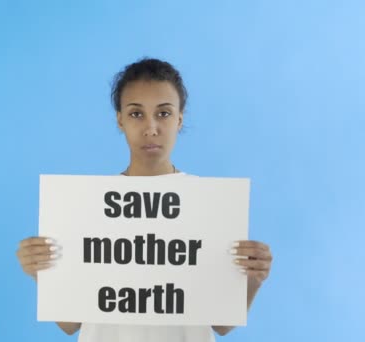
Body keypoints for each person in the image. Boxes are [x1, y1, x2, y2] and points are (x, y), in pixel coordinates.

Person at [16, 58, 273, 341]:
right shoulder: (86, 207)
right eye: (137, 114)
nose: (151, 128)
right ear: (120, 119)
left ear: (180, 119)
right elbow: (70, 323)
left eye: (163, 113)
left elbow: (222, 325)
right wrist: (40, 271)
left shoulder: (208, 207)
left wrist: (252, 278)